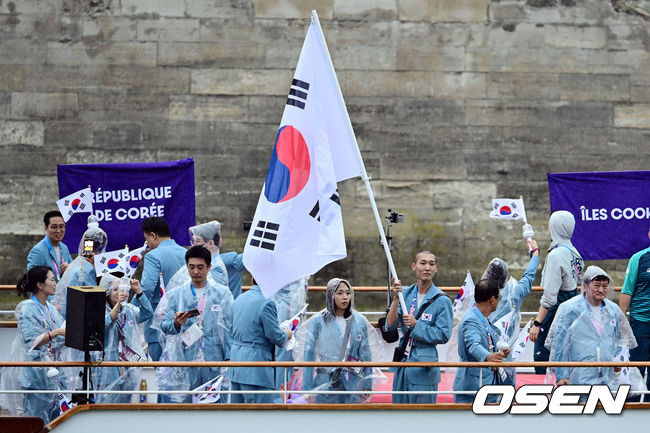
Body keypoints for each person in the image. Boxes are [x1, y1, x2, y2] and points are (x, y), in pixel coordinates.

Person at [156, 246, 233, 403]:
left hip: (214, 357)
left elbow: (230, 328)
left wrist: (229, 359)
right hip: (186, 357)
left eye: (200, 267)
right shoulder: (178, 294)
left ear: (209, 267)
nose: (196, 272)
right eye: (191, 267)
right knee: (187, 405)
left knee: (214, 404)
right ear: (187, 267)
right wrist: (176, 324)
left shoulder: (222, 293)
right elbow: (164, 325)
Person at [546, 266, 638, 391]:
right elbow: (559, 343)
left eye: (605, 286)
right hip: (579, 375)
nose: (601, 290)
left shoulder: (613, 309)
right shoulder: (568, 309)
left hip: (608, 376)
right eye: (596, 285)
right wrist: (561, 375)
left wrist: (619, 359)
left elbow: (620, 339)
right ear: (585, 286)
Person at [294, 278, 383, 403]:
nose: (345, 297)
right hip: (325, 382)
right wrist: (307, 389)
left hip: (352, 382)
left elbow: (366, 354)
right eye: (340, 293)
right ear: (331, 294)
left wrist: (367, 385)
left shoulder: (359, 320)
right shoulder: (318, 321)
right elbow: (309, 355)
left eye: (348, 293)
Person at [387, 251, 453, 404]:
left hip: (425, 366)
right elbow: (389, 325)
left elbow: (444, 335)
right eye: (423, 263)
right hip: (402, 361)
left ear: (436, 268)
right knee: (399, 414)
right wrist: (396, 299)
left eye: (431, 264)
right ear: (414, 266)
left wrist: (417, 325)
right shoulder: (406, 294)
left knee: (423, 417)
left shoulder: (442, 300)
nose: (427, 268)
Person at [529, 210, 583, 374]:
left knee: (543, 358)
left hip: (554, 314)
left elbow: (550, 297)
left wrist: (537, 323)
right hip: (572, 311)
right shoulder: (575, 252)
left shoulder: (556, 255)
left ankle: (546, 396)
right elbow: (578, 282)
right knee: (565, 356)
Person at [14, 266, 71, 423]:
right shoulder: (27, 309)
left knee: (57, 421)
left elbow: (59, 339)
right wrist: (57, 332)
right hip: (36, 375)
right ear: (40, 285)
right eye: (52, 280)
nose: (55, 283)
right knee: (36, 422)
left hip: (54, 373)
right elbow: (31, 342)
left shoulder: (51, 309)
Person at [483, 239, 540, 385]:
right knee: (506, 382)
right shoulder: (515, 292)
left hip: (484, 347)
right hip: (507, 348)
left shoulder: (480, 293)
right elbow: (529, 276)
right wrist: (535, 255)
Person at [227, 278, 292, 403]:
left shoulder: (239, 299)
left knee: (237, 413)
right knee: (261, 415)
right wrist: (286, 334)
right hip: (256, 366)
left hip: (236, 363)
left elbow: (231, 327)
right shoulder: (267, 303)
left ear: (252, 279)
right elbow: (276, 337)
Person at [96, 274, 152, 403]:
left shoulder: (128, 310)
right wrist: (118, 306)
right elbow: (101, 325)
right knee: (107, 406)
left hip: (127, 366)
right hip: (107, 367)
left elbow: (147, 313)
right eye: (115, 289)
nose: (120, 292)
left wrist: (139, 292)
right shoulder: (98, 310)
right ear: (106, 292)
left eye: (121, 288)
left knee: (125, 405)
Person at [453, 279, 511, 403]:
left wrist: (498, 353)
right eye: (498, 297)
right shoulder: (472, 320)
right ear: (492, 299)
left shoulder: (481, 317)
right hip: (473, 388)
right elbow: (473, 345)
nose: (499, 301)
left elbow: (485, 345)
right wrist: (488, 357)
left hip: (484, 384)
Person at [140, 217, 186, 361]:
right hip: (185, 321)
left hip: (159, 323)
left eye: (147, 240)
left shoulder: (153, 256)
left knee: (163, 375)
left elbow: (146, 288)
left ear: (153, 236)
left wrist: (133, 309)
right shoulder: (186, 253)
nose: (147, 245)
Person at [53, 215, 107, 318]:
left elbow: (66, 306)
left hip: (81, 321)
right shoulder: (111, 267)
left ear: (84, 243)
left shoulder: (77, 272)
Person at [620, 226, 650, 393]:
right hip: (640, 322)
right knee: (637, 368)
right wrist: (619, 321)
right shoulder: (638, 258)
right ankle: (636, 403)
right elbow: (627, 291)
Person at [26, 210, 72, 282]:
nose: (58, 231)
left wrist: (70, 267)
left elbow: (73, 268)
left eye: (61, 226)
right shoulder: (38, 250)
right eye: (54, 227)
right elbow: (31, 277)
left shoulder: (64, 247)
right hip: (46, 293)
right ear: (46, 228)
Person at [188, 221, 229, 287]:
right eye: (193, 241)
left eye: (197, 241)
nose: (193, 245)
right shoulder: (208, 260)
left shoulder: (216, 268)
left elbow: (214, 294)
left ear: (210, 243)